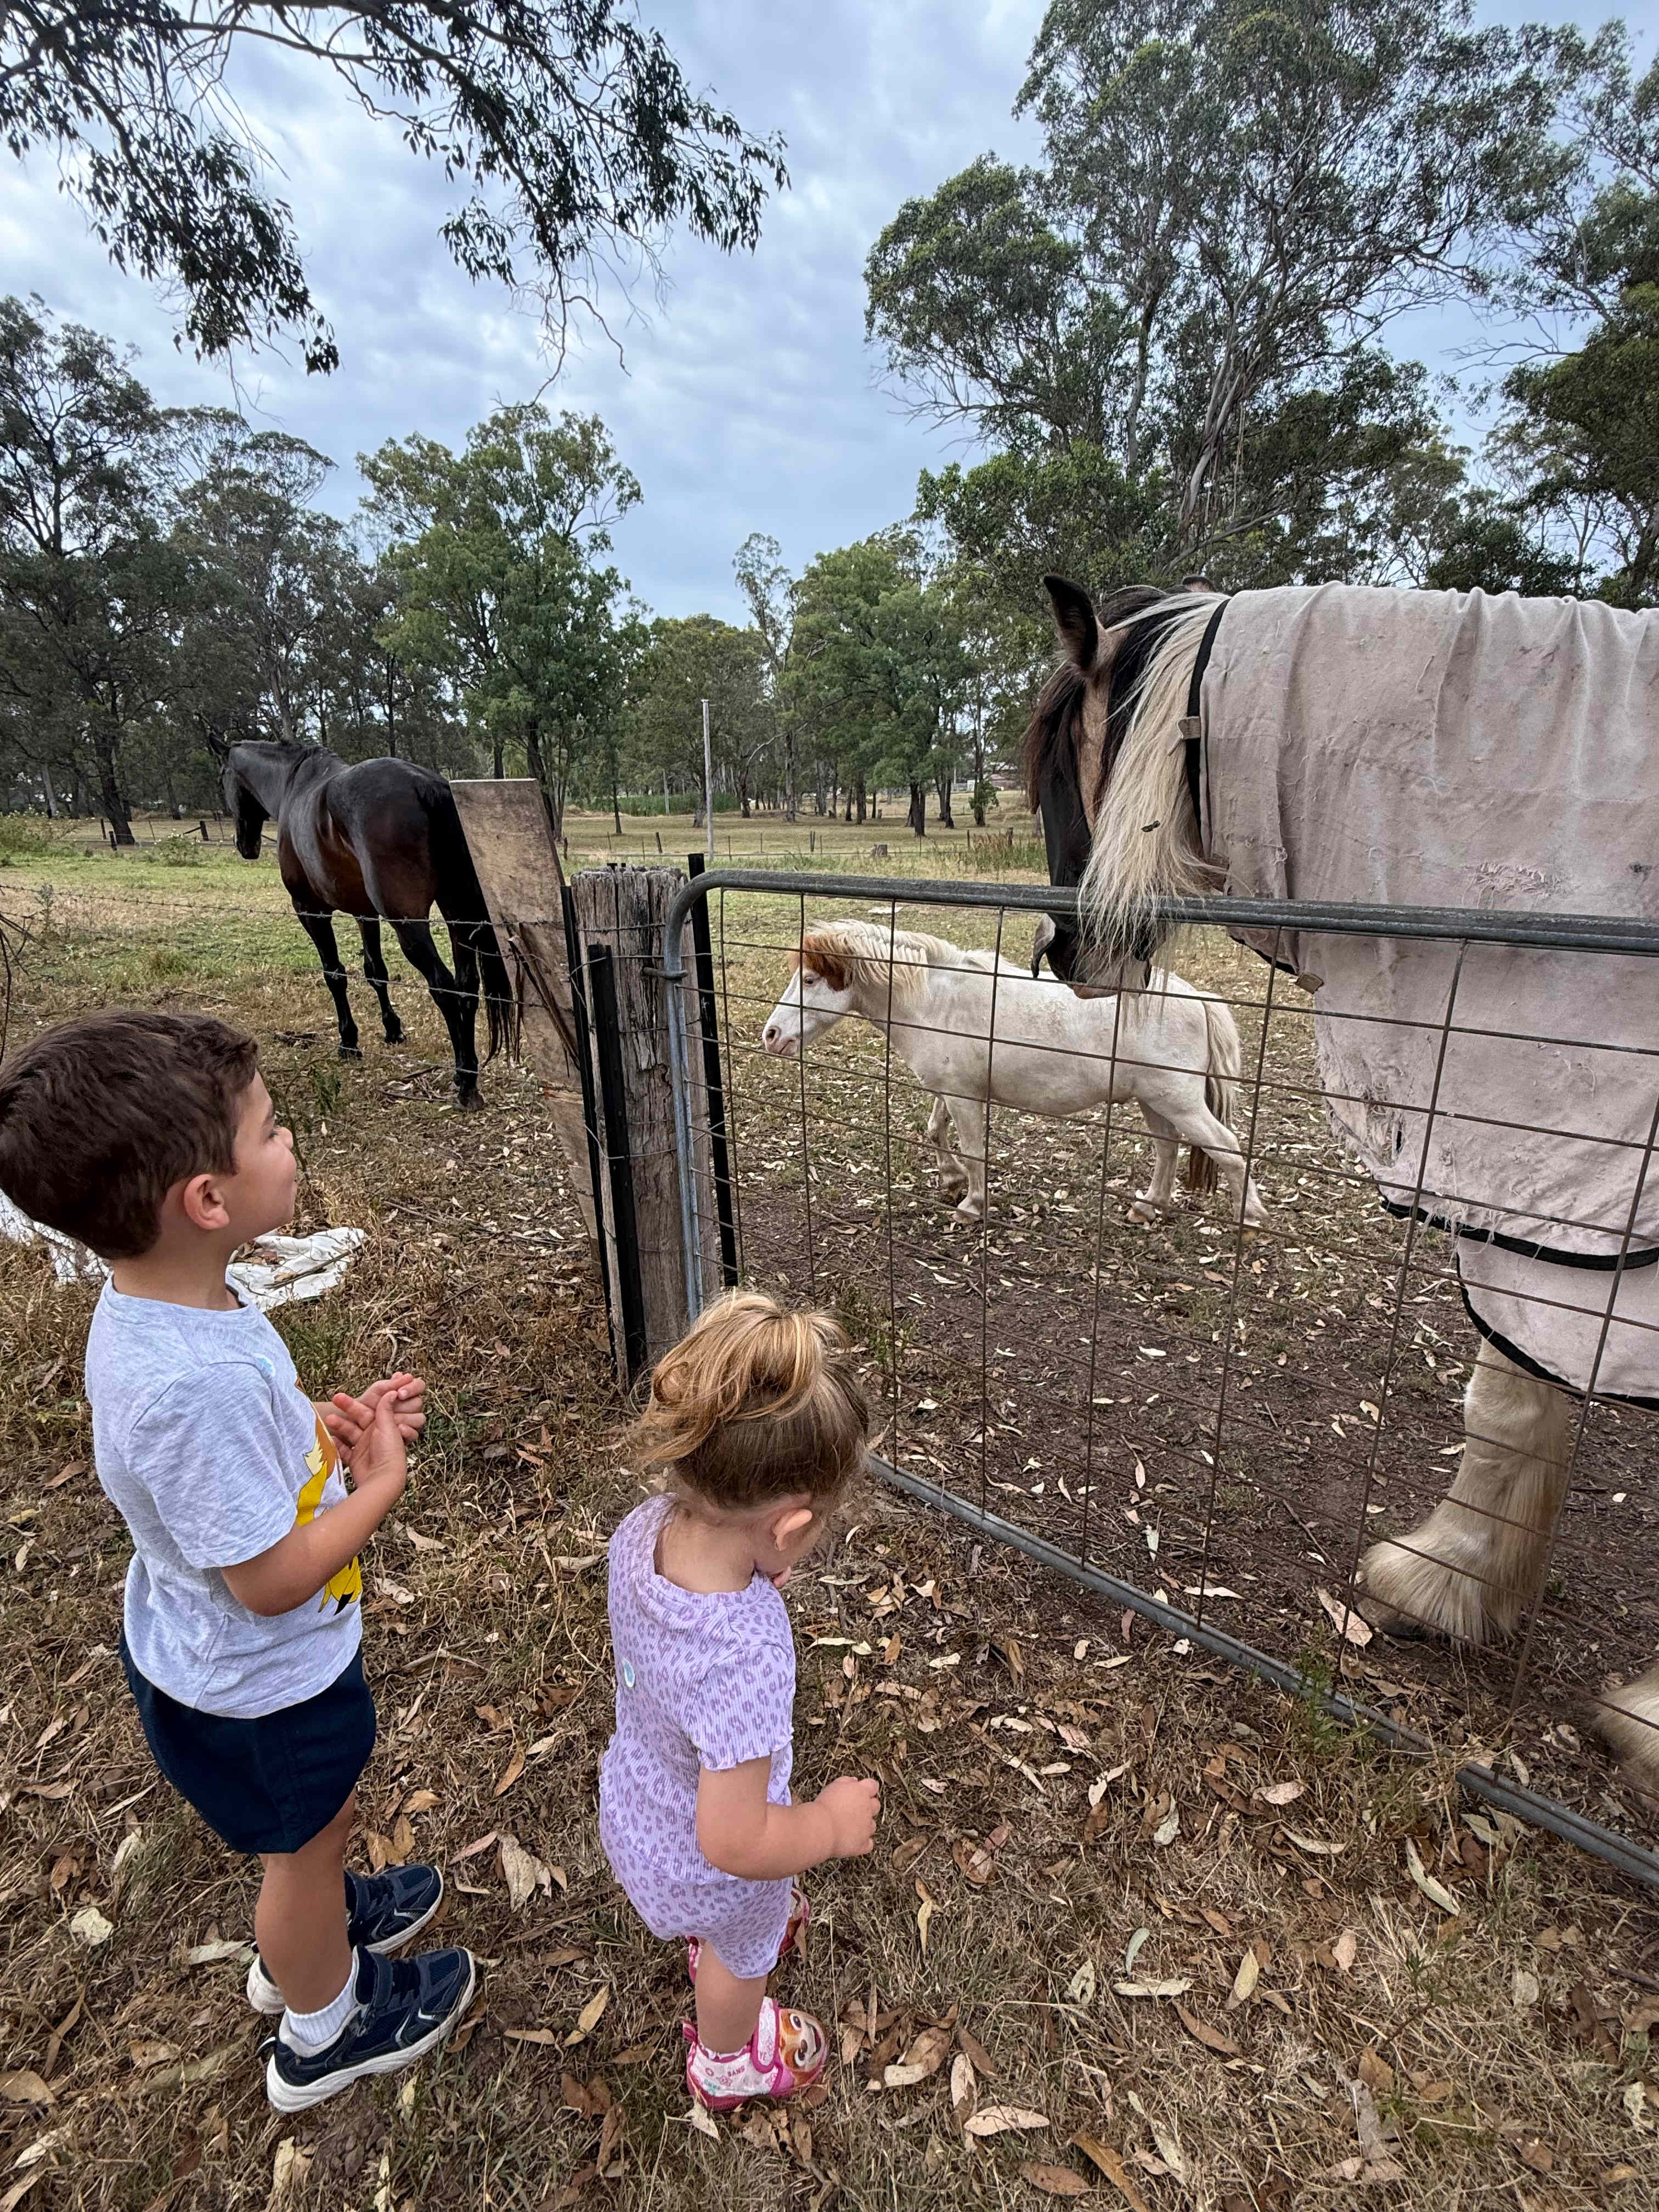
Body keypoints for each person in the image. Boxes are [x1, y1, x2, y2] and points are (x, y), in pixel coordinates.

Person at [0, 1012, 476, 2111]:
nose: (292, 1138)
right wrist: (381, 1488)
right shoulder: (188, 1385)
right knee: (298, 1853)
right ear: (207, 1202)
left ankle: (316, 1928)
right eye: (270, 1129)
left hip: (213, 1663)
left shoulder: (175, 1307)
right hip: (259, 1690)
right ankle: (324, 2021)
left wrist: (317, 1428)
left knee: (313, 1839)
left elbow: (236, 1460)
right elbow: (267, 1580)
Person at [599, 1290, 881, 2111]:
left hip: (638, 1802)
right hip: (708, 1866)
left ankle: (713, 1946)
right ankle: (728, 2059)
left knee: (734, 1918)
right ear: (789, 1527)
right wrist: (826, 1825)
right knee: (743, 1949)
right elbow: (735, 1838)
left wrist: (753, 1562)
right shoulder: (747, 1655)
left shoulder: (645, 1532)